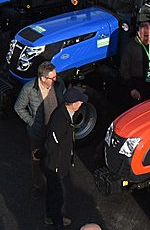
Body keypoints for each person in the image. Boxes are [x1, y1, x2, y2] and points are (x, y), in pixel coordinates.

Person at [15, 62, 65, 198]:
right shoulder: (29, 89)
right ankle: (39, 185)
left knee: (54, 158)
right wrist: (32, 122)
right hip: (38, 134)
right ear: (43, 78)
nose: (56, 79)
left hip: (54, 131)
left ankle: (54, 184)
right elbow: (18, 107)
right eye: (52, 78)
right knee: (36, 161)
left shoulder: (58, 84)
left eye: (56, 76)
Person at [41, 87, 88, 228]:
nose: (81, 103)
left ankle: (50, 216)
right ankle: (57, 223)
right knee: (57, 196)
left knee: (52, 192)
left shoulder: (67, 112)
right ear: (72, 103)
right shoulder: (60, 120)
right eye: (79, 101)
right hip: (55, 166)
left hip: (57, 164)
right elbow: (51, 145)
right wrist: (57, 165)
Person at [120, 21, 150, 105]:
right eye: (146, 36)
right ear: (139, 34)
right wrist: (132, 88)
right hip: (138, 84)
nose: (149, 39)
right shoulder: (130, 46)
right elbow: (124, 69)